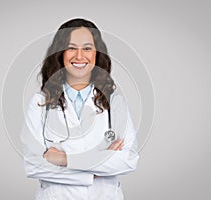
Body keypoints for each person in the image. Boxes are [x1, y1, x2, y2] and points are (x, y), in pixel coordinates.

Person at [20, 18, 139, 200]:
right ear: (60, 53)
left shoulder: (114, 101)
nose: (79, 56)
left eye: (87, 48)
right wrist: (95, 169)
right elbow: (33, 164)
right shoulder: (40, 102)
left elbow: (129, 159)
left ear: (97, 54)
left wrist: (65, 159)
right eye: (71, 48)